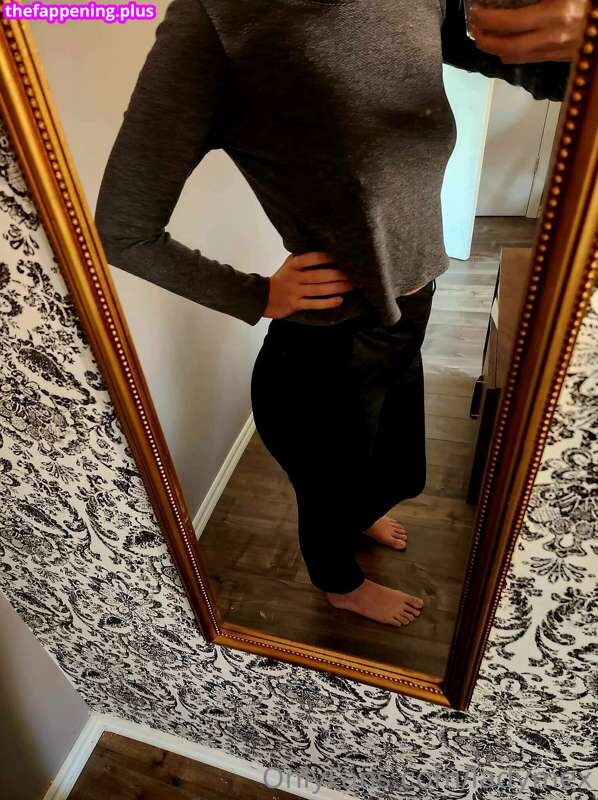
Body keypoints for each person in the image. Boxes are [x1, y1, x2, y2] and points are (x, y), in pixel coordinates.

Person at [95, 0, 583, 628]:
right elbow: (123, 230)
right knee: (328, 487)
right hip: (329, 348)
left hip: (408, 312)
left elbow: (549, 71)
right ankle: (340, 584)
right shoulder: (217, 21)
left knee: (390, 465)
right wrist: (257, 295)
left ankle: (360, 512)